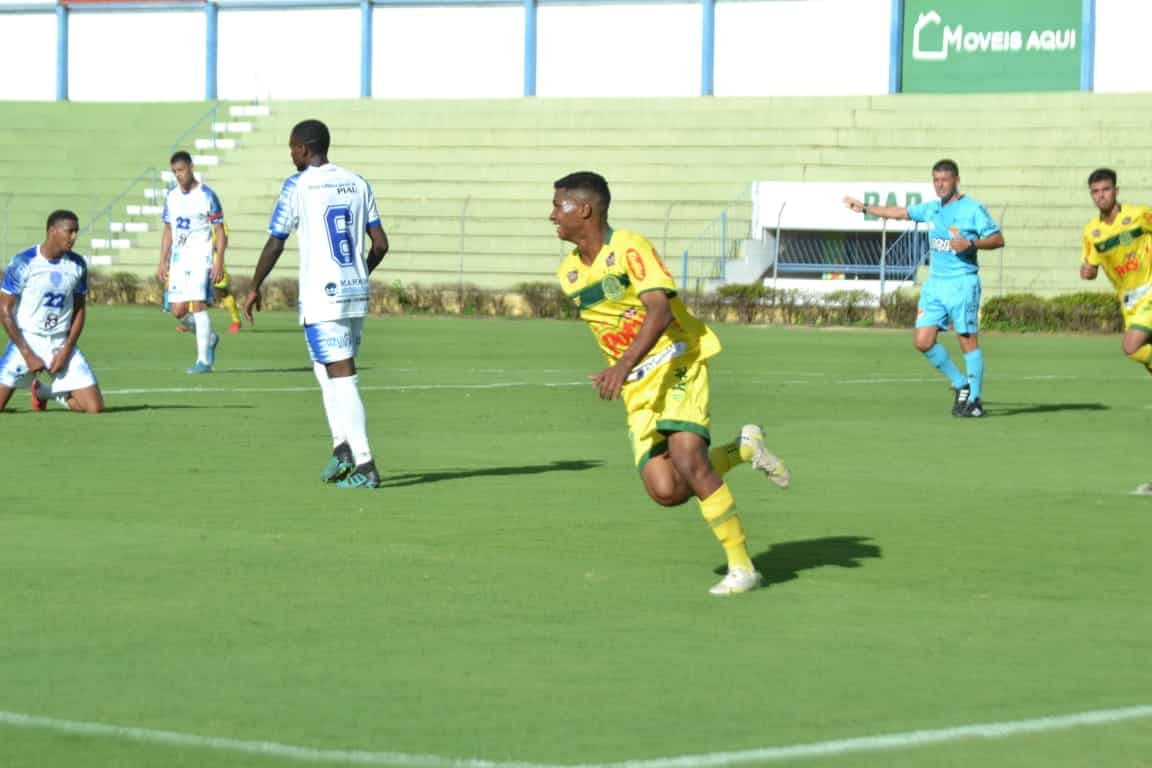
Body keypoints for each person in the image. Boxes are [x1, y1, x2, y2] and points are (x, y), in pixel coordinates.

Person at [551, 171, 790, 596]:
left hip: (679, 356)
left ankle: (743, 568)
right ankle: (742, 449)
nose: (552, 215)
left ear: (584, 210)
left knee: (687, 454)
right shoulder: (569, 273)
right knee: (667, 490)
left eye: (558, 206)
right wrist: (624, 372)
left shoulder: (630, 248)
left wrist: (622, 364)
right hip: (639, 386)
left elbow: (658, 310)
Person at [243, 119, 390, 489]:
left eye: (292, 148)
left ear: (304, 149)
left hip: (323, 297)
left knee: (343, 376)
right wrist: (360, 273)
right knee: (325, 369)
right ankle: (342, 448)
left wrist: (255, 285)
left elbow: (276, 242)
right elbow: (381, 245)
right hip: (354, 292)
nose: (291, 154)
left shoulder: (298, 185)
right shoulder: (358, 183)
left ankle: (365, 463)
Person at [843, 159, 1004, 418]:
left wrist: (971, 244)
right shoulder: (932, 209)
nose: (940, 185)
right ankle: (961, 383)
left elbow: (998, 239)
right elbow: (901, 212)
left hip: (962, 283)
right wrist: (864, 208)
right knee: (922, 341)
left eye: (945, 180)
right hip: (935, 285)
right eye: (936, 180)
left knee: (967, 340)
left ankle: (974, 400)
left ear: (956, 180)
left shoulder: (973, 209)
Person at [0, 210, 104, 413]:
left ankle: (44, 392)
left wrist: (66, 349)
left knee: (94, 408)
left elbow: (79, 310)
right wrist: (27, 354)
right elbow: (4, 309)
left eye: (76, 232)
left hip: (60, 342)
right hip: (28, 341)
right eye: (70, 231)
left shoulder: (77, 264)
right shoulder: (24, 262)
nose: (74, 237)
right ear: (53, 231)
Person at [1080, 168, 1152, 376]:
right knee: (1144, 358)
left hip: (1149, 291)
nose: (1101, 195)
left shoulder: (1138, 215)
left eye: (1106, 189)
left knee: (1131, 347)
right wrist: (1087, 272)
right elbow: (1091, 267)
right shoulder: (1091, 231)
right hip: (1129, 302)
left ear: (1116, 191)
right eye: (1095, 191)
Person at [158, 150, 224, 373]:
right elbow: (168, 230)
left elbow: (220, 230)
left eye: (181, 170)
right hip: (179, 259)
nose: (178, 175)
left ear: (191, 168)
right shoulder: (171, 196)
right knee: (177, 311)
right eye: (174, 171)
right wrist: (162, 261)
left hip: (201, 257)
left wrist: (218, 261)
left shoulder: (207, 195)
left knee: (198, 305)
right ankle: (210, 338)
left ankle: (203, 361)